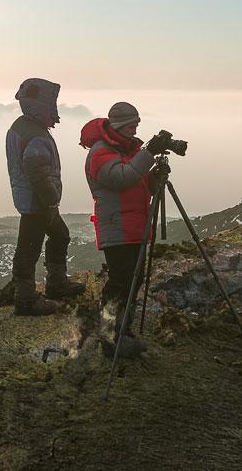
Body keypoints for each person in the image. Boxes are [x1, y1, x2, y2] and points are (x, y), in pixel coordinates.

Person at [80, 102, 165, 358]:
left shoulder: (126, 150)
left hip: (133, 226)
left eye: (137, 124)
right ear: (118, 126)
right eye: (131, 125)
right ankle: (110, 338)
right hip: (116, 226)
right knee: (120, 283)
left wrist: (153, 177)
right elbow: (120, 179)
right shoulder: (100, 152)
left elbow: (137, 186)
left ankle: (122, 332)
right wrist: (149, 153)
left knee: (132, 281)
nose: (135, 128)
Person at [0, 78, 86, 316]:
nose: (55, 108)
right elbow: (36, 173)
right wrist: (51, 199)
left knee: (59, 235)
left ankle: (55, 284)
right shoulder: (36, 135)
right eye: (52, 103)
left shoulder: (21, 125)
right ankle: (25, 299)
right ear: (42, 105)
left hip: (33, 199)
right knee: (29, 249)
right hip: (38, 201)